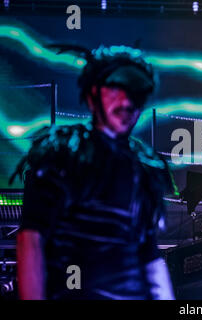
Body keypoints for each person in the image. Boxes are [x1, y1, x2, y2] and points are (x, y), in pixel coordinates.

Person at [12, 45, 177, 300]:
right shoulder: (63, 155)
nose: (127, 102)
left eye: (136, 92)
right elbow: (31, 238)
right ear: (92, 95)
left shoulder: (143, 169)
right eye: (116, 89)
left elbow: (149, 256)